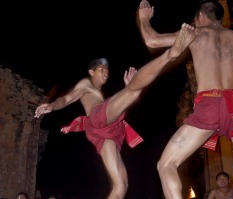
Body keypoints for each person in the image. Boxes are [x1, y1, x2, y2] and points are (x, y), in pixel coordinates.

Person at [137, 0, 233, 199]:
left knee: (166, 164)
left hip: (209, 102)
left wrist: (144, 19)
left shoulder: (197, 33)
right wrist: (232, 98)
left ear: (200, 16)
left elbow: (152, 40)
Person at [34, 25, 196, 199]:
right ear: (91, 72)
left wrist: (127, 89)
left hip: (106, 133)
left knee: (121, 185)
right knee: (134, 90)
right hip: (98, 120)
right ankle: (170, 54)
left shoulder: (100, 96)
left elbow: (118, 110)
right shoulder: (85, 84)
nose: (106, 72)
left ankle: (132, 86)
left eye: (107, 70)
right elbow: (67, 99)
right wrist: (52, 106)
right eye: (101, 69)